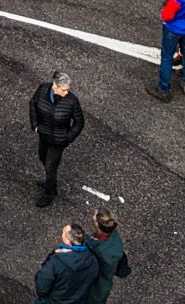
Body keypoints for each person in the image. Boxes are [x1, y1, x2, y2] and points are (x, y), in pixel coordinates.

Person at [29, 70, 84, 208]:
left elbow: (79, 123)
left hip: (58, 141)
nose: (67, 93)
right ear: (55, 86)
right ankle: (50, 181)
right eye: (64, 90)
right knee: (42, 158)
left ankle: (49, 193)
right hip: (44, 136)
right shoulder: (42, 89)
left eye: (68, 90)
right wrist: (35, 125)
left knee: (50, 166)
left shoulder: (72, 101)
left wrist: (67, 138)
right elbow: (33, 105)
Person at [33, 223, 98, 303]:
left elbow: (41, 289)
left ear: (67, 240)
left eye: (63, 232)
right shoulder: (93, 260)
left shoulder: (55, 262)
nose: (62, 234)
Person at [87, 210, 129, 304]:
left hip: (92, 286)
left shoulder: (96, 248)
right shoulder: (114, 239)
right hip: (104, 286)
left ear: (97, 224)